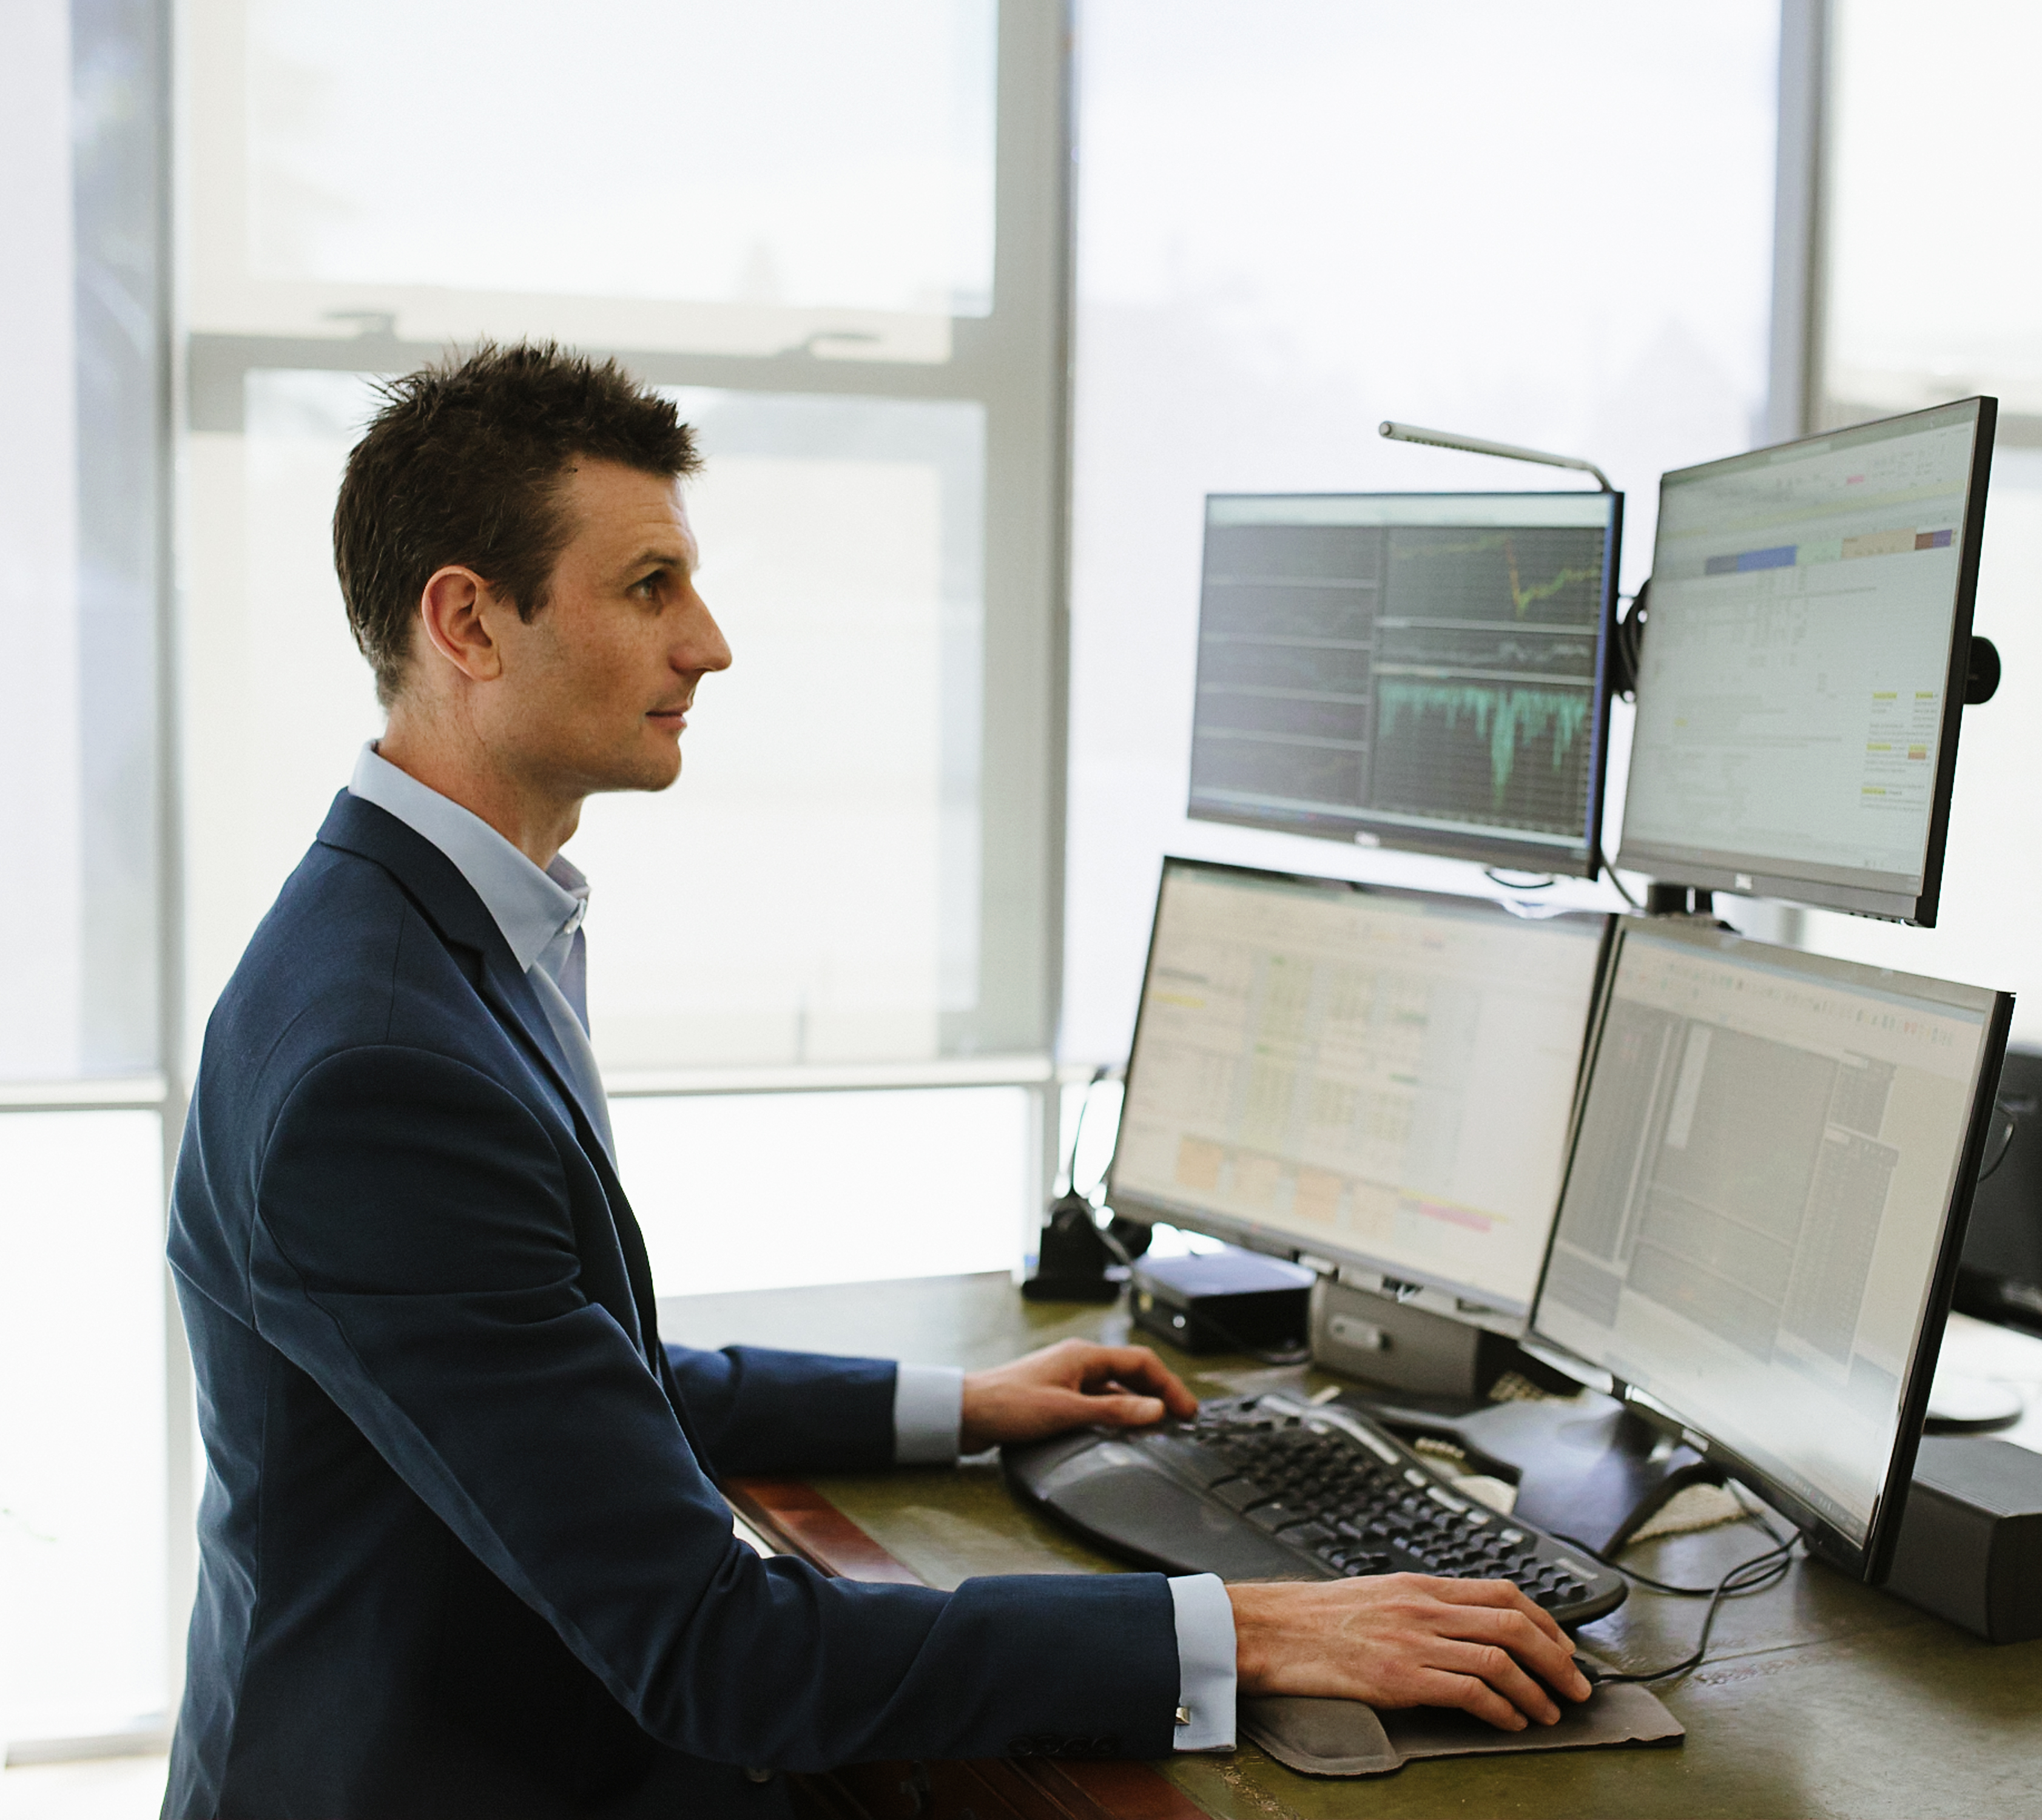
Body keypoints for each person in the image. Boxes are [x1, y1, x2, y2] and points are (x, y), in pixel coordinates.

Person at [161, 342, 1589, 1820]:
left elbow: (587, 1380)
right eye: (650, 585)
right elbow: (718, 1651)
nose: (708, 643)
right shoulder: (384, 1063)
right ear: (467, 621)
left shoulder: (434, 929)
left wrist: (963, 1401)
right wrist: (1258, 1627)